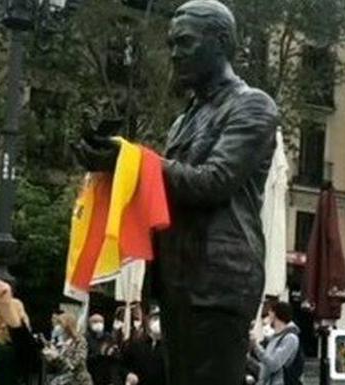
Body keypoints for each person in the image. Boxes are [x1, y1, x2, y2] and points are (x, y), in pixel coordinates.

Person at [72, 1, 277, 384]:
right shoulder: (183, 121)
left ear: (219, 42)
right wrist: (111, 164)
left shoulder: (253, 105)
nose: (174, 54)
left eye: (184, 42)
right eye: (171, 44)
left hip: (220, 279)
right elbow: (166, 190)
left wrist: (131, 160)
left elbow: (212, 181)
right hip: (179, 277)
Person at [250, 302, 302, 385]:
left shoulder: (290, 338)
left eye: (269, 314)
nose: (268, 318)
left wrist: (255, 346)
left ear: (275, 315)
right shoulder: (274, 338)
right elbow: (265, 365)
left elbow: (273, 364)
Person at [43, 311, 93, 385]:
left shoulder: (79, 341)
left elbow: (73, 365)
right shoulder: (59, 342)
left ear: (68, 325)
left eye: (60, 323)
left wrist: (57, 356)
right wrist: (50, 357)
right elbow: (58, 366)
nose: (58, 326)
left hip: (78, 381)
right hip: (63, 380)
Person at [121, 308, 165, 385]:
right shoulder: (136, 345)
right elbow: (122, 365)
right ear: (148, 321)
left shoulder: (172, 349)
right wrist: (128, 374)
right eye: (155, 318)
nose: (158, 322)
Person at [86, 313, 115, 385]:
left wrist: (113, 352)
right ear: (89, 324)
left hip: (106, 375)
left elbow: (115, 356)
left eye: (101, 322)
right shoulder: (86, 338)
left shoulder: (108, 337)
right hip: (91, 374)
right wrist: (99, 353)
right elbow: (85, 357)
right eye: (95, 322)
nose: (98, 324)